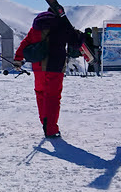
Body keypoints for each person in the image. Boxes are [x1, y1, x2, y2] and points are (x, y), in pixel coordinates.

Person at [14, 9, 83, 139]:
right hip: (54, 65)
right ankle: (50, 128)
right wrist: (78, 34)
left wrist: (18, 59)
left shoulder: (37, 25)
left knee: (40, 93)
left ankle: (44, 121)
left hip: (38, 66)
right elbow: (75, 43)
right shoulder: (62, 24)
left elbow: (26, 42)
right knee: (53, 97)